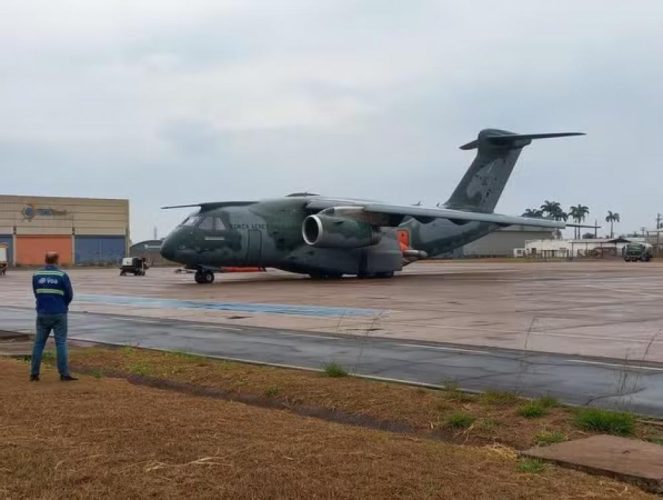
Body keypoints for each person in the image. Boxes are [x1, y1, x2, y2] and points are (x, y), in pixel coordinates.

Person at [30, 251, 77, 382]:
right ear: (57, 260)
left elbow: (36, 292)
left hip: (42, 313)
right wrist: (63, 305)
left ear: (45, 260)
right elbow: (69, 295)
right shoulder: (62, 275)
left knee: (38, 343)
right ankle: (64, 374)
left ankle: (34, 374)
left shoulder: (36, 275)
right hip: (59, 313)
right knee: (61, 343)